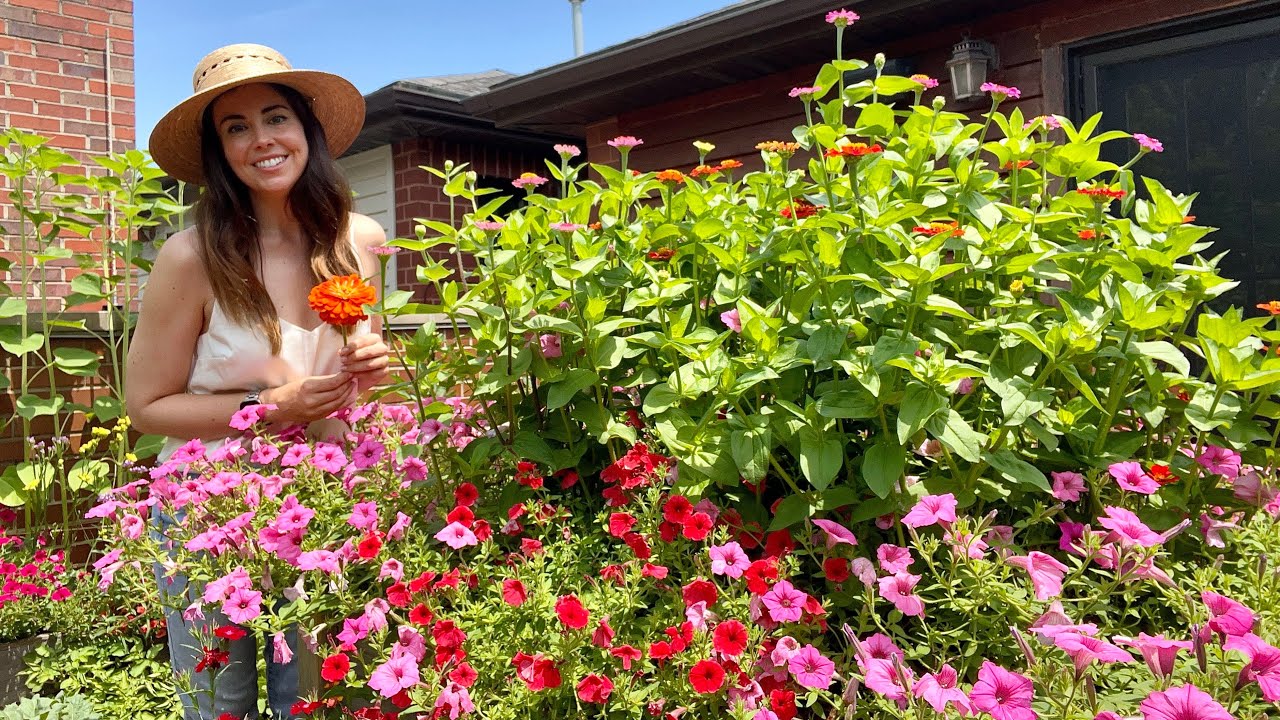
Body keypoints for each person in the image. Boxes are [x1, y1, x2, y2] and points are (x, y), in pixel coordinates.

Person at [126, 43, 390, 719]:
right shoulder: (191, 258)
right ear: (220, 152)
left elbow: (362, 354)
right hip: (209, 509)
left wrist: (370, 362)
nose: (261, 139)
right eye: (235, 127)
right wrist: (272, 405)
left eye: (276, 117)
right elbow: (147, 407)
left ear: (307, 130)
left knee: (318, 693)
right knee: (223, 700)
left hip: (329, 498)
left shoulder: (359, 237)